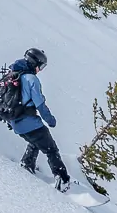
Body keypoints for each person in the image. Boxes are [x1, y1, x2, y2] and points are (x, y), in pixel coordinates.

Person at [8, 47, 71, 190]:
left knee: (36, 140)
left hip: (14, 121)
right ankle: (63, 181)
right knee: (51, 150)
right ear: (34, 63)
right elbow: (40, 105)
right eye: (41, 66)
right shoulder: (31, 79)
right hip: (27, 121)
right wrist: (50, 120)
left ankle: (27, 163)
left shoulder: (13, 74)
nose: (40, 70)